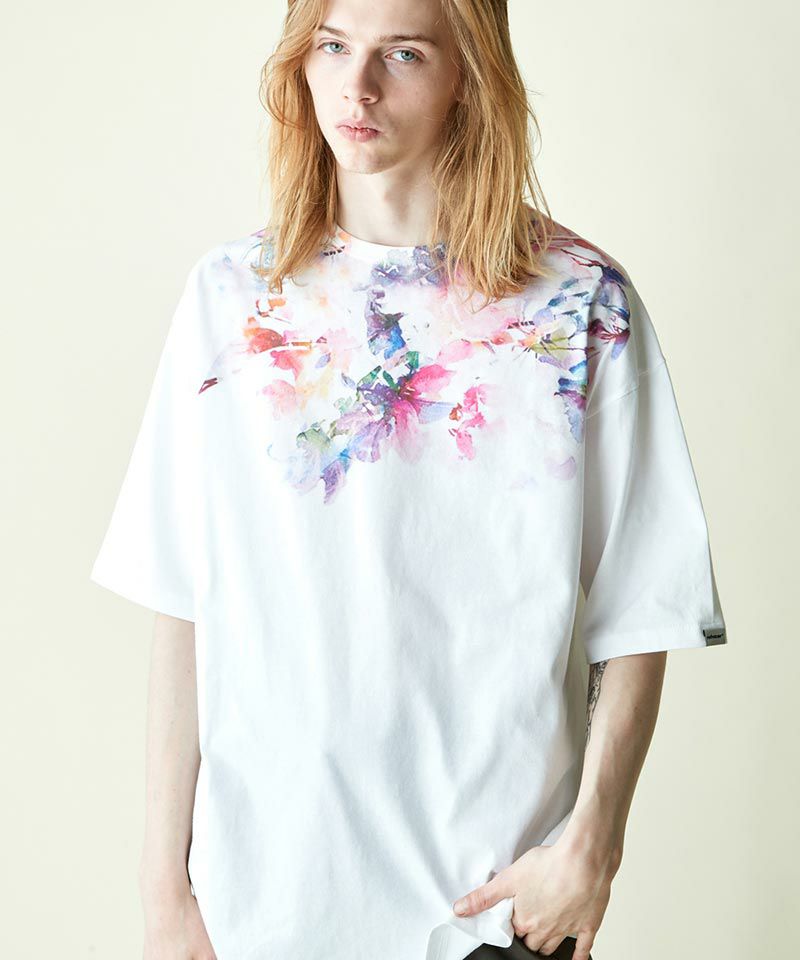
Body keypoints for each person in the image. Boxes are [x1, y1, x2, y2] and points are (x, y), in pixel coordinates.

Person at [89, 1, 728, 958]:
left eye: (403, 53)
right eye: (333, 46)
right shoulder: (231, 298)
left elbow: (645, 603)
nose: (357, 87)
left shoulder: (578, 300)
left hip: (491, 905)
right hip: (263, 901)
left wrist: (592, 847)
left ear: (469, 75)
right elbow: (185, 606)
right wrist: (162, 893)